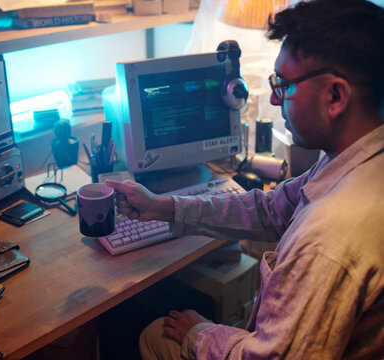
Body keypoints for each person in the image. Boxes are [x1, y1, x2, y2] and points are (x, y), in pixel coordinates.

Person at [105, 0, 384, 358]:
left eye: (283, 84)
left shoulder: (328, 237)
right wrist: (164, 207)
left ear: (335, 96)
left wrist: (200, 334)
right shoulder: (357, 158)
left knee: (156, 334)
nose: (272, 96)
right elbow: (271, 210)